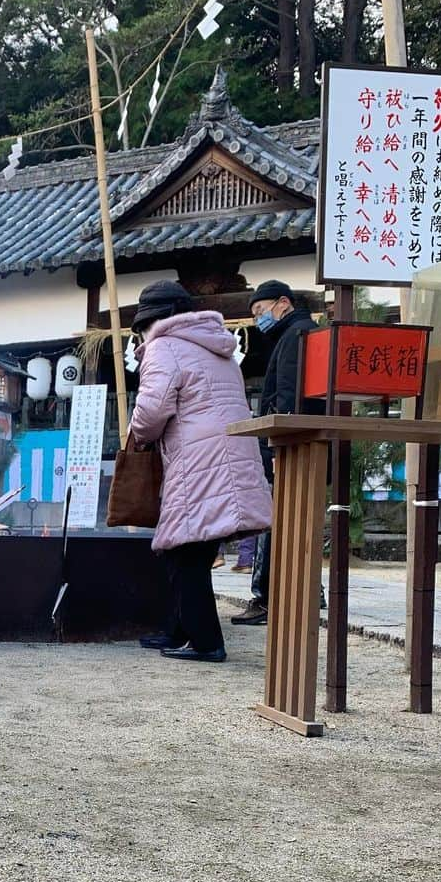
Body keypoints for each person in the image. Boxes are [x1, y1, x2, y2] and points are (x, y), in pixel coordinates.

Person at [128, 281, 272, 662]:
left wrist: (138, 435)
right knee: (191, 549)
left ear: (156, 321)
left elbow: (152, 411)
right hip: (231, 452)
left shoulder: (163, 347)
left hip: (199, 458)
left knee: (184, 553)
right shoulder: (218, 346)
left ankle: (206, 642)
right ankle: (178, 632)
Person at [231, 280, 324, 626]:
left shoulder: (295, 336)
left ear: (283, 302)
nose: (258, 319)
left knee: (278, 524)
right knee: (298, 523)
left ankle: (266, 597)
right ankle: (308, 592)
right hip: (302, 445)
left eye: (260, 310)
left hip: (288, 446)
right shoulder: (301, 332)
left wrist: (273, 446)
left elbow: (287, 397)